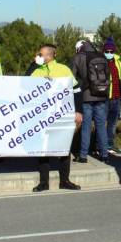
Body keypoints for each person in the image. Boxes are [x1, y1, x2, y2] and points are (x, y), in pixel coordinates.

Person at [31, 44, 82, 192]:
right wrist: (35, 65)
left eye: (40, 55)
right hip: (43, 115)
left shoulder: (63, 69)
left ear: (49, 56)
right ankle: (43, 182)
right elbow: (26, 86)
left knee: (64, 147)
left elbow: (77, 90)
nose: (38, 57)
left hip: (62, 113)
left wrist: (78, 111)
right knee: (43, 149)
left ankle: (65, 180)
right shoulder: (36, 71)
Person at [72, 40, 110, 163]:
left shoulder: (78, 57)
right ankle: (104, 154)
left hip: (86, 96)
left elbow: (71, 77)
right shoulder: (101, 55)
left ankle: (83, 156)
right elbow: (107, 75)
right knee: (101, 126)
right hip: (101, 95)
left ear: (79, 48)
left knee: (86, 127)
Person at [102, 38, 121, 155]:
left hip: (116, 98)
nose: (109, 53)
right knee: (101, 124)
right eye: (107, 51)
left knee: (112, 124)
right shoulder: (100, 61)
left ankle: (110, 145)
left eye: (111, 51)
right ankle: (101, 146)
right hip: (104, 98)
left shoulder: (118, 63)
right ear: (104, 51)